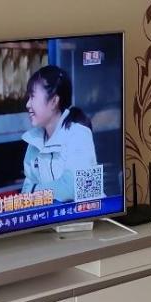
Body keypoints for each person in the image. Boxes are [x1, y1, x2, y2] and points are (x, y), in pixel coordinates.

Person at [22, 65, 97, 202]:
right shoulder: (33, 143)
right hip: (50, 216)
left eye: (32, 97)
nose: (28, 104)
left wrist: (34, 191)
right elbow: (25, 192)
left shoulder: (79, 135)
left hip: (87, 214)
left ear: (54, 101)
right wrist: (32, 192)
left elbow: (72, 188)